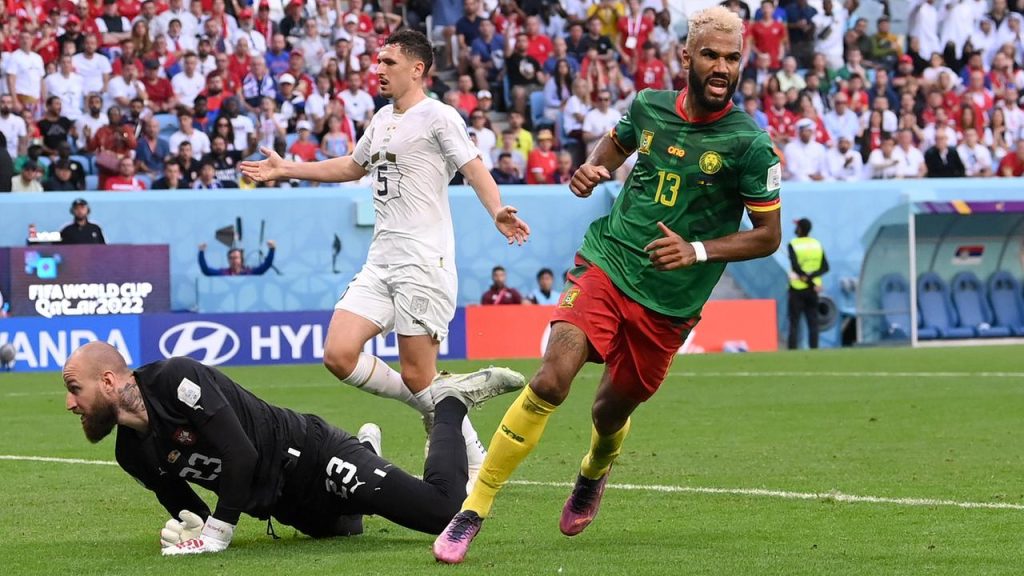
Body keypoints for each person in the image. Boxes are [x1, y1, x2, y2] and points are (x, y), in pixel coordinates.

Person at [433, 7, 782, 563]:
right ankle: (473, 508)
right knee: (552, 378)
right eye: (711, 55)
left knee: (609, 413)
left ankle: (594, 470)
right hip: (608, 262)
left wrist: (696, 250)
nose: (722, 67)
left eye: (732, 58)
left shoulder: (749, 145)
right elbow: (613, 149)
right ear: (686, 58)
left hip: (669, 303)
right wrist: (592, 168)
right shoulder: (648, 107)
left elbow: (767, 236)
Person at [240, 30, 530, 489]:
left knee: (418, 374)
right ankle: (451, 405)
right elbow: (353, 166)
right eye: (377, 61)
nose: (378, 69)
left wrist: (497, 210)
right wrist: (285, 168)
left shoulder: (439, 116)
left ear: (417, 69)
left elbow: (475, 168)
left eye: (389, 62)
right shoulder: (380, 118)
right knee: (338, 353)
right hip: (381, 261)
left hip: (422, 261)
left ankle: (474, 458)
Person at [62, 342, 526, 556]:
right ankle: (369, 452)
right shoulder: (130, 453)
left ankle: (448, 404)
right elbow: (185, 506)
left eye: (74, 388)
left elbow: (240, 454)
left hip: (314, 454)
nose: (69, 403)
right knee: (347, 533)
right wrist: (191, 529)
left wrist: (219, 533)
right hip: (285, 504)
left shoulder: (174, 378)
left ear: (107, 381)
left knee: (444, 515)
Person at [787, 218, 828, 350]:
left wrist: (806, 278)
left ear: (799, 229)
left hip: (797, 288)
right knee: (813, 322)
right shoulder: (817, 244)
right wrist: (812, 280)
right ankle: (814, 350)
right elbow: (825, 267)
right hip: (814, 289)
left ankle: (792, 350)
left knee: (794, 323)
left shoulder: (793, 244)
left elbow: (795, 267)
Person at [198, 241, 276, 276]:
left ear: (241, 259)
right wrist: (201, 251)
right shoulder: (223, 273)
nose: (233, 260)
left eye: (236, 258)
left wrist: (272, 249)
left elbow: (266, 265)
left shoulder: (249, 273)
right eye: (231, 258)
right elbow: (206, 270)